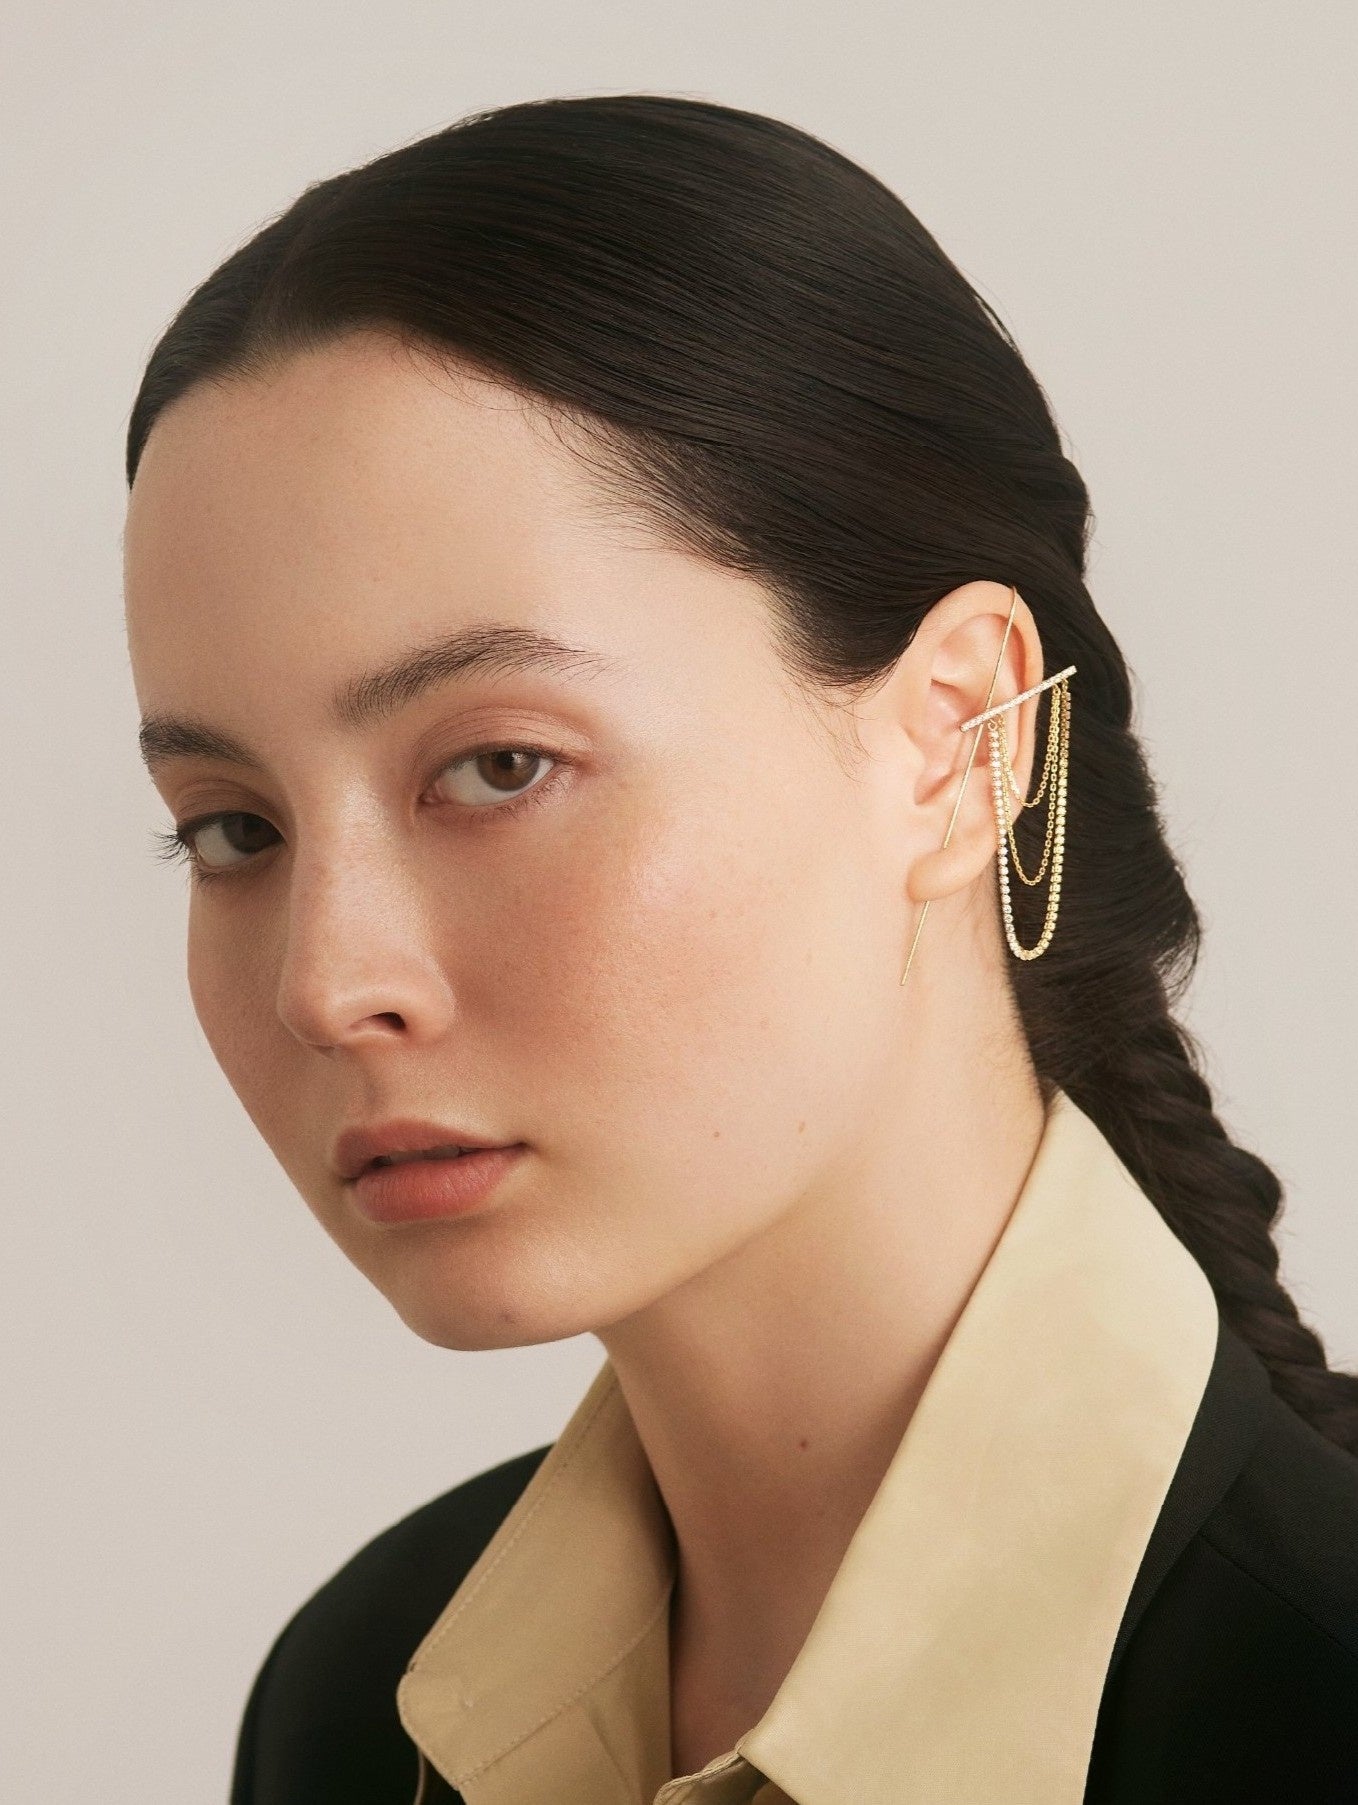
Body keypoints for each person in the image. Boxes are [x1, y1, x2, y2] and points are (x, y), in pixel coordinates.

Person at [121, 94, 1358, 1805]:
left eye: (500, 766)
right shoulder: (355, 1706)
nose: (328, 985)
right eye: (232, 830)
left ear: (957, 741)